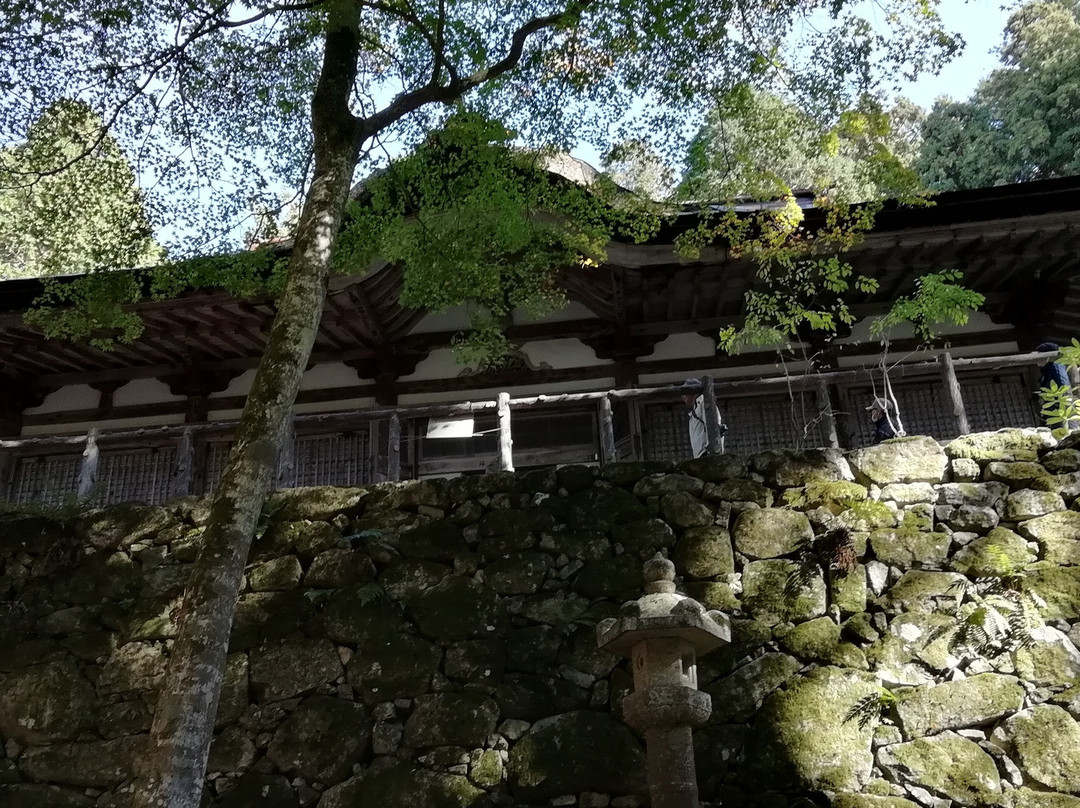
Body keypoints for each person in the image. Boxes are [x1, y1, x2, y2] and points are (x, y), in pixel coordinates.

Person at [682, 378, 725, 458]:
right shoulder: (696, 408)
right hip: (701, 454)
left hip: (707, 452)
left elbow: (713, 426)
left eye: (685, 393)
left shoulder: (704, 404)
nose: (683, 397)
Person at [1036, 342, 1072, 426]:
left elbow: (1064, 384)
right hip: (1054, 406)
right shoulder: (1048, 368)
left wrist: (1064, 402)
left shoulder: (1055, 365)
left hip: (1058, 407)